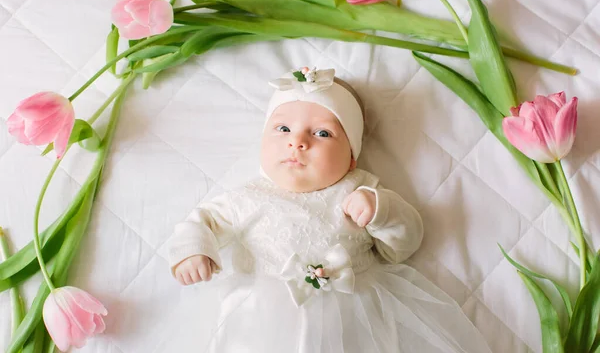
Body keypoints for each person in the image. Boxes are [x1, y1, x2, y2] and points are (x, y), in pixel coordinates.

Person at [166, 67, 491, 352]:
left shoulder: (359, 189)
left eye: (322, 133)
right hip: (261, 318)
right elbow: (201, 221)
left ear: (352, 156)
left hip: (355, 313)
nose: (298, 142)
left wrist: (382, 210)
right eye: (282, 129)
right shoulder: (247, 197)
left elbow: (403, 246)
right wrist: (194, 251)